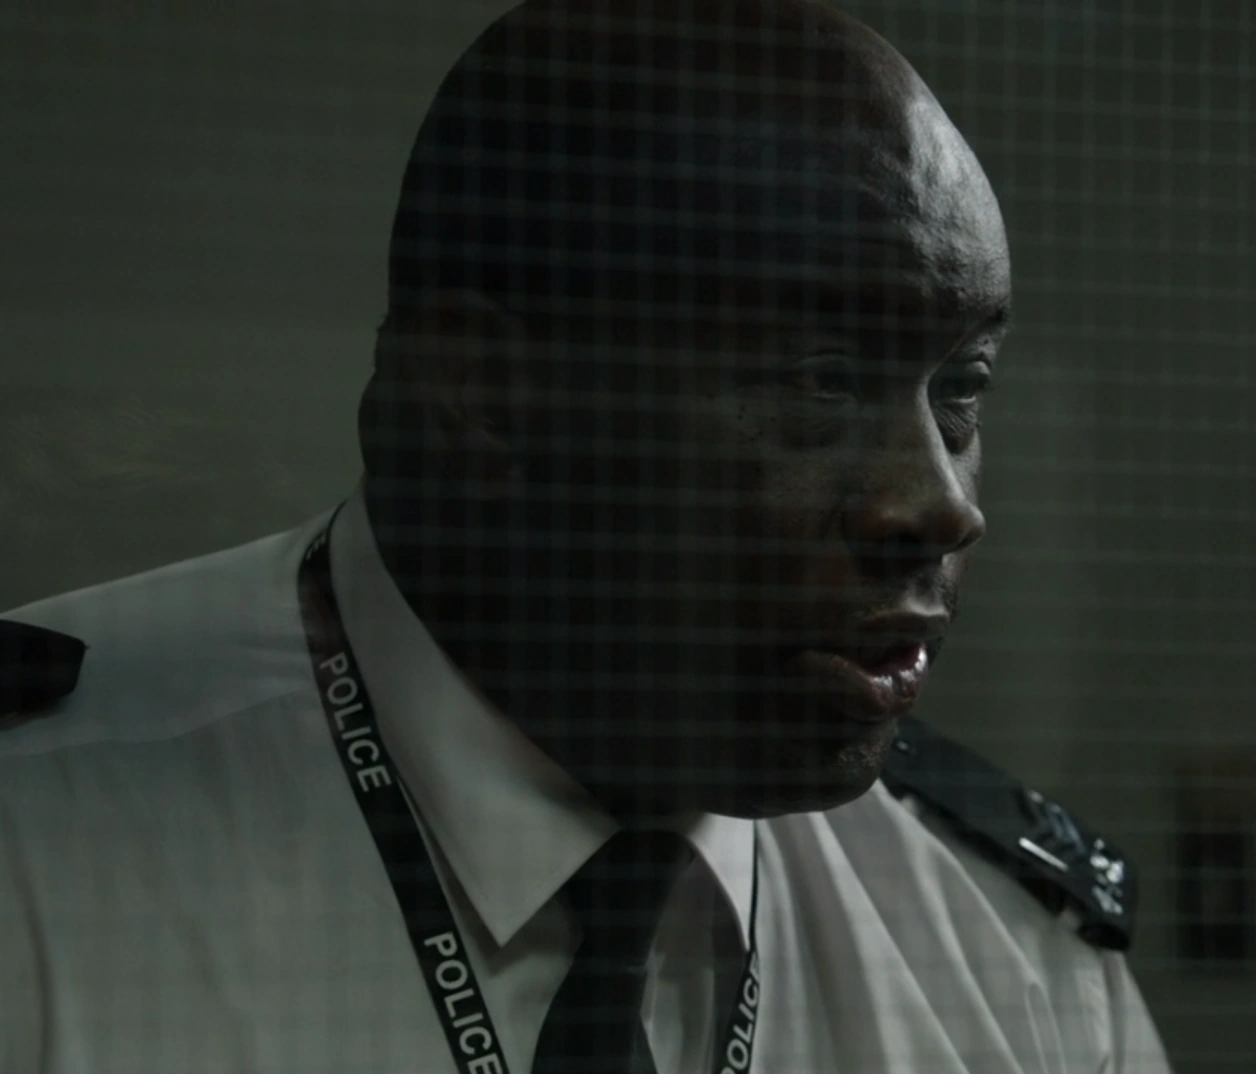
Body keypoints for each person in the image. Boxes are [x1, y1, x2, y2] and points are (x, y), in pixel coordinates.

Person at [0, 1, 1173, 1071]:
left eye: (958, 390)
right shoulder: (42, 854)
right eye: (822, 379)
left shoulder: (1010, 956)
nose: (939, 507)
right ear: (487, 398)